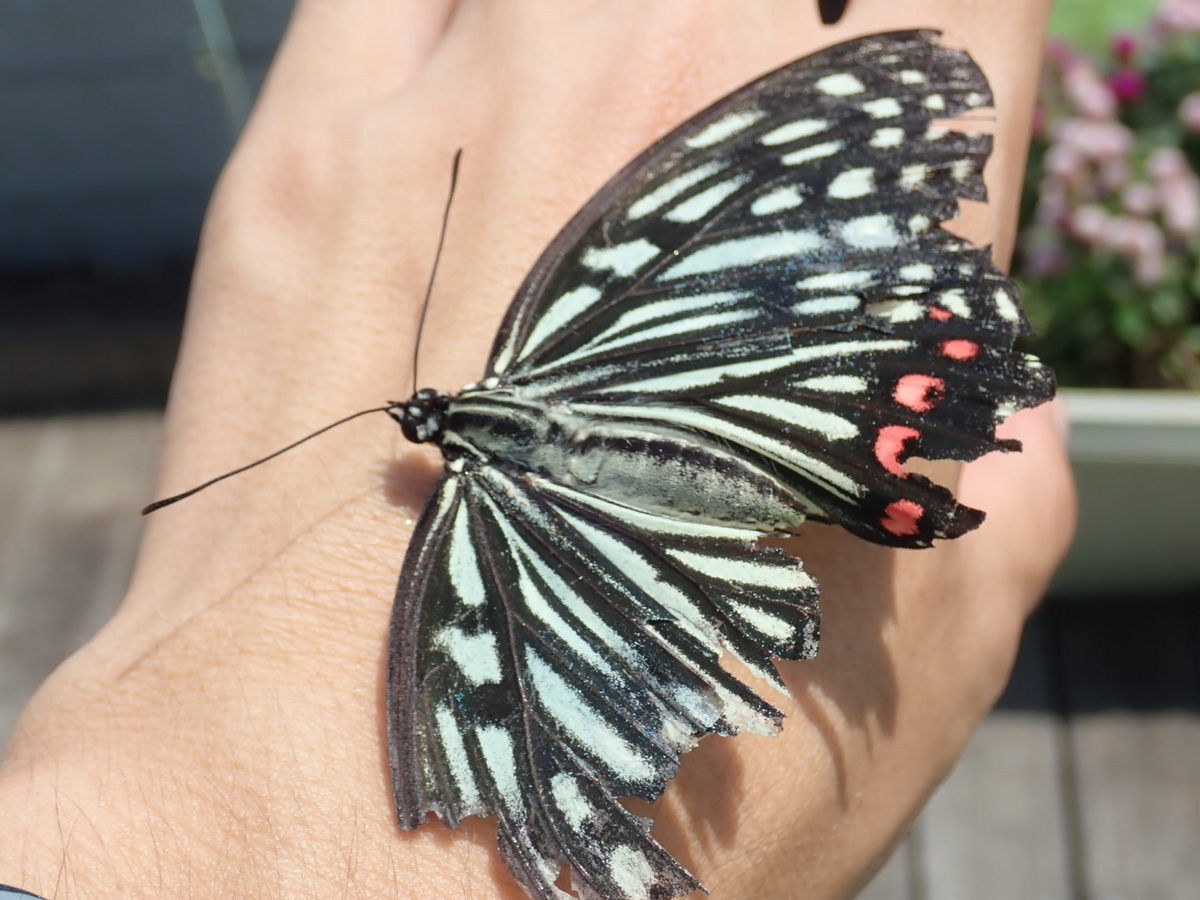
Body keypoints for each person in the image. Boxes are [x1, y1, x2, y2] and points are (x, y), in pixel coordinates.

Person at [0, 0, 1074, 897]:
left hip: (646, 517)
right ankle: (860, 476)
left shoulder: (465, 546)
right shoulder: (564, 319)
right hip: (758, 403)